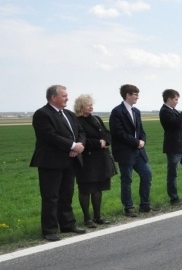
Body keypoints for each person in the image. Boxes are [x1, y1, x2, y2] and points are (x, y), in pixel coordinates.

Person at [30, 85, 87, 241]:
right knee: (51, 196)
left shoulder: (69, 114)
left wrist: (78, 146)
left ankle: (68, 224)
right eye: (64, 96)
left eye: (67, 95)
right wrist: (71, 145)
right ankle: (49, 230)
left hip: (70, 160)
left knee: (67, 194)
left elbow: (80, 131)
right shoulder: (42, 114)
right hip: (50, 162)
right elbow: (49, 136)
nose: (67, 98)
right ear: (53, 97)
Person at [109, 84, 153, 217]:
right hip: (125, 151)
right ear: (127, 95)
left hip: (139, 151)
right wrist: (136, 142)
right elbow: (118, 133)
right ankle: (129, 207)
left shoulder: (136, 111)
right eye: (135, 94)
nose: (137, 97)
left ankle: (145, 205)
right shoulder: (117, 112)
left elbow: (141, 130)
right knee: (127, 179)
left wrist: (143, 140)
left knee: (147, 174)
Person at [74, 94, 116, 228]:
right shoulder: (76, 121)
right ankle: (87, 219)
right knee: (86, 189)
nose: (91, 107)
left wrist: (106, 140)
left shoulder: (96, 119)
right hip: (87, 160)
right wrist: (99, 143)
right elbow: (81, 140)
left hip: (101, 159)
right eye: (88, 104)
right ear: (81, 106)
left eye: (92, 104)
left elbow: (107, 132)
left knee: (98, 188)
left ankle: (98, 216)